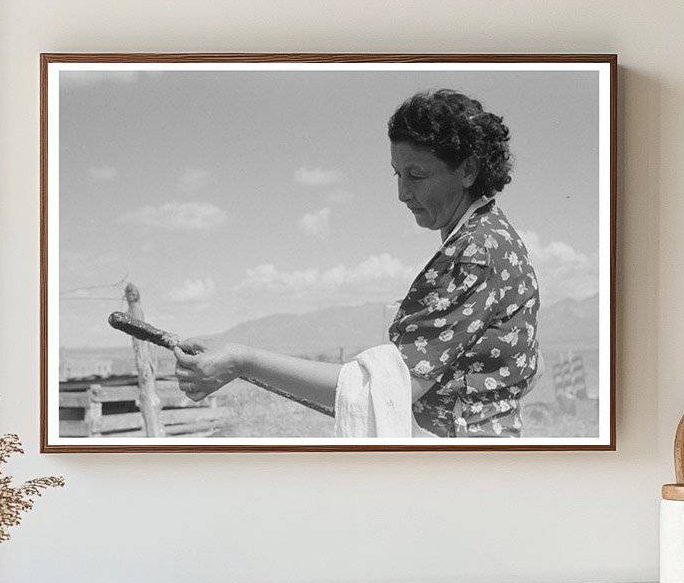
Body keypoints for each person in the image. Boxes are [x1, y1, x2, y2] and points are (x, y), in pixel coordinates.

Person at [174, 88, 539, 437]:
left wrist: (243, 360)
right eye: (397, 174)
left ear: (468, 170)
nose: (402, 193)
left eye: (416, 175)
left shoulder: (475, 253)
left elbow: (385, 392)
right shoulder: (494, 240)